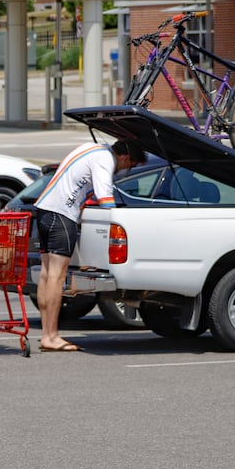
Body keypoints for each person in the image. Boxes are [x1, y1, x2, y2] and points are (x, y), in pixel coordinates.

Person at [34, 138, 146, 352]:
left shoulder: (94, 148)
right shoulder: (106, 160)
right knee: (57, 276)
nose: (126, 171)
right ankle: (51, 336)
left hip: (45, 210)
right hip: (62, 214)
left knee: (47, 274)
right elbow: (105, 199)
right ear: (124, 157)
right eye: (130, 166)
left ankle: (46, 334)